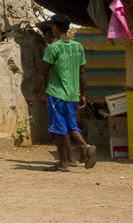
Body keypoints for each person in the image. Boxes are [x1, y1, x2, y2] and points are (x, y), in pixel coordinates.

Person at [34, 14, 94, 171]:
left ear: (54, 27)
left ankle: (66, 161)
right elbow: (83, 72)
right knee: (70, 125)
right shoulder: (78, 47)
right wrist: (83, 94)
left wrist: (34, 91)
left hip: (57, 93)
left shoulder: (53, 48)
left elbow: (43, 72)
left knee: (58, 129)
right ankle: (80, 150)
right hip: (73, 94)